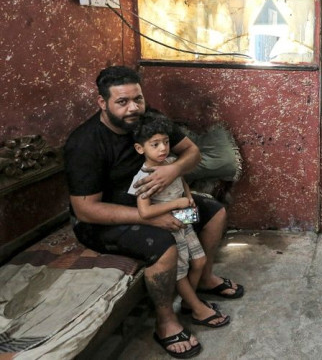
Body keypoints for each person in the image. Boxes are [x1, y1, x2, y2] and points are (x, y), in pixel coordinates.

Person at [64, 66, 243, 359]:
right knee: (164, 246)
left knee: (212, 213)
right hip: (105, 221)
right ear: (102, 103)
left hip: (157, 206)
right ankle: (166, 322)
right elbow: (85, 210)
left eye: (138, 99)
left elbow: (192, 153)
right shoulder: (85, 143)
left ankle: (205, 279)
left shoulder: (151, 120)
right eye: (122, 102)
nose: (133, 108)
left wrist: (173, 168)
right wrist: (149, 217)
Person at [129, 112, 230, 332]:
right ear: (140, 148)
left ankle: (187, 302)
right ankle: (195, 306)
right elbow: (145, 212)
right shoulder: (143, 178)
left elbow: (181, 179)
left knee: (200, 262)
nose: (163, 148)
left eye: (165, 142)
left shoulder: (172, 162)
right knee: (181, 271)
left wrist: (189, 197)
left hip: (184, 218)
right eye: (155, 144)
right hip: (170, 225)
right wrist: (176, 204)